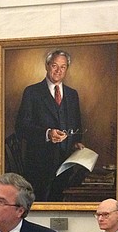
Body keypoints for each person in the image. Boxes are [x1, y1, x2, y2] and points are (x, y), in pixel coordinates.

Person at [15, 49, 85, 202]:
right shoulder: (32, 92)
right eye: (54, 65)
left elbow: (77, 125)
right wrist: (47, 134)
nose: (58, 70)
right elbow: (21, 127)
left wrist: (76, 142)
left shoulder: (73, 94)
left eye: (63, 67)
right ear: (47, 66)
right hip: (39, 164)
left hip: (67, 165)